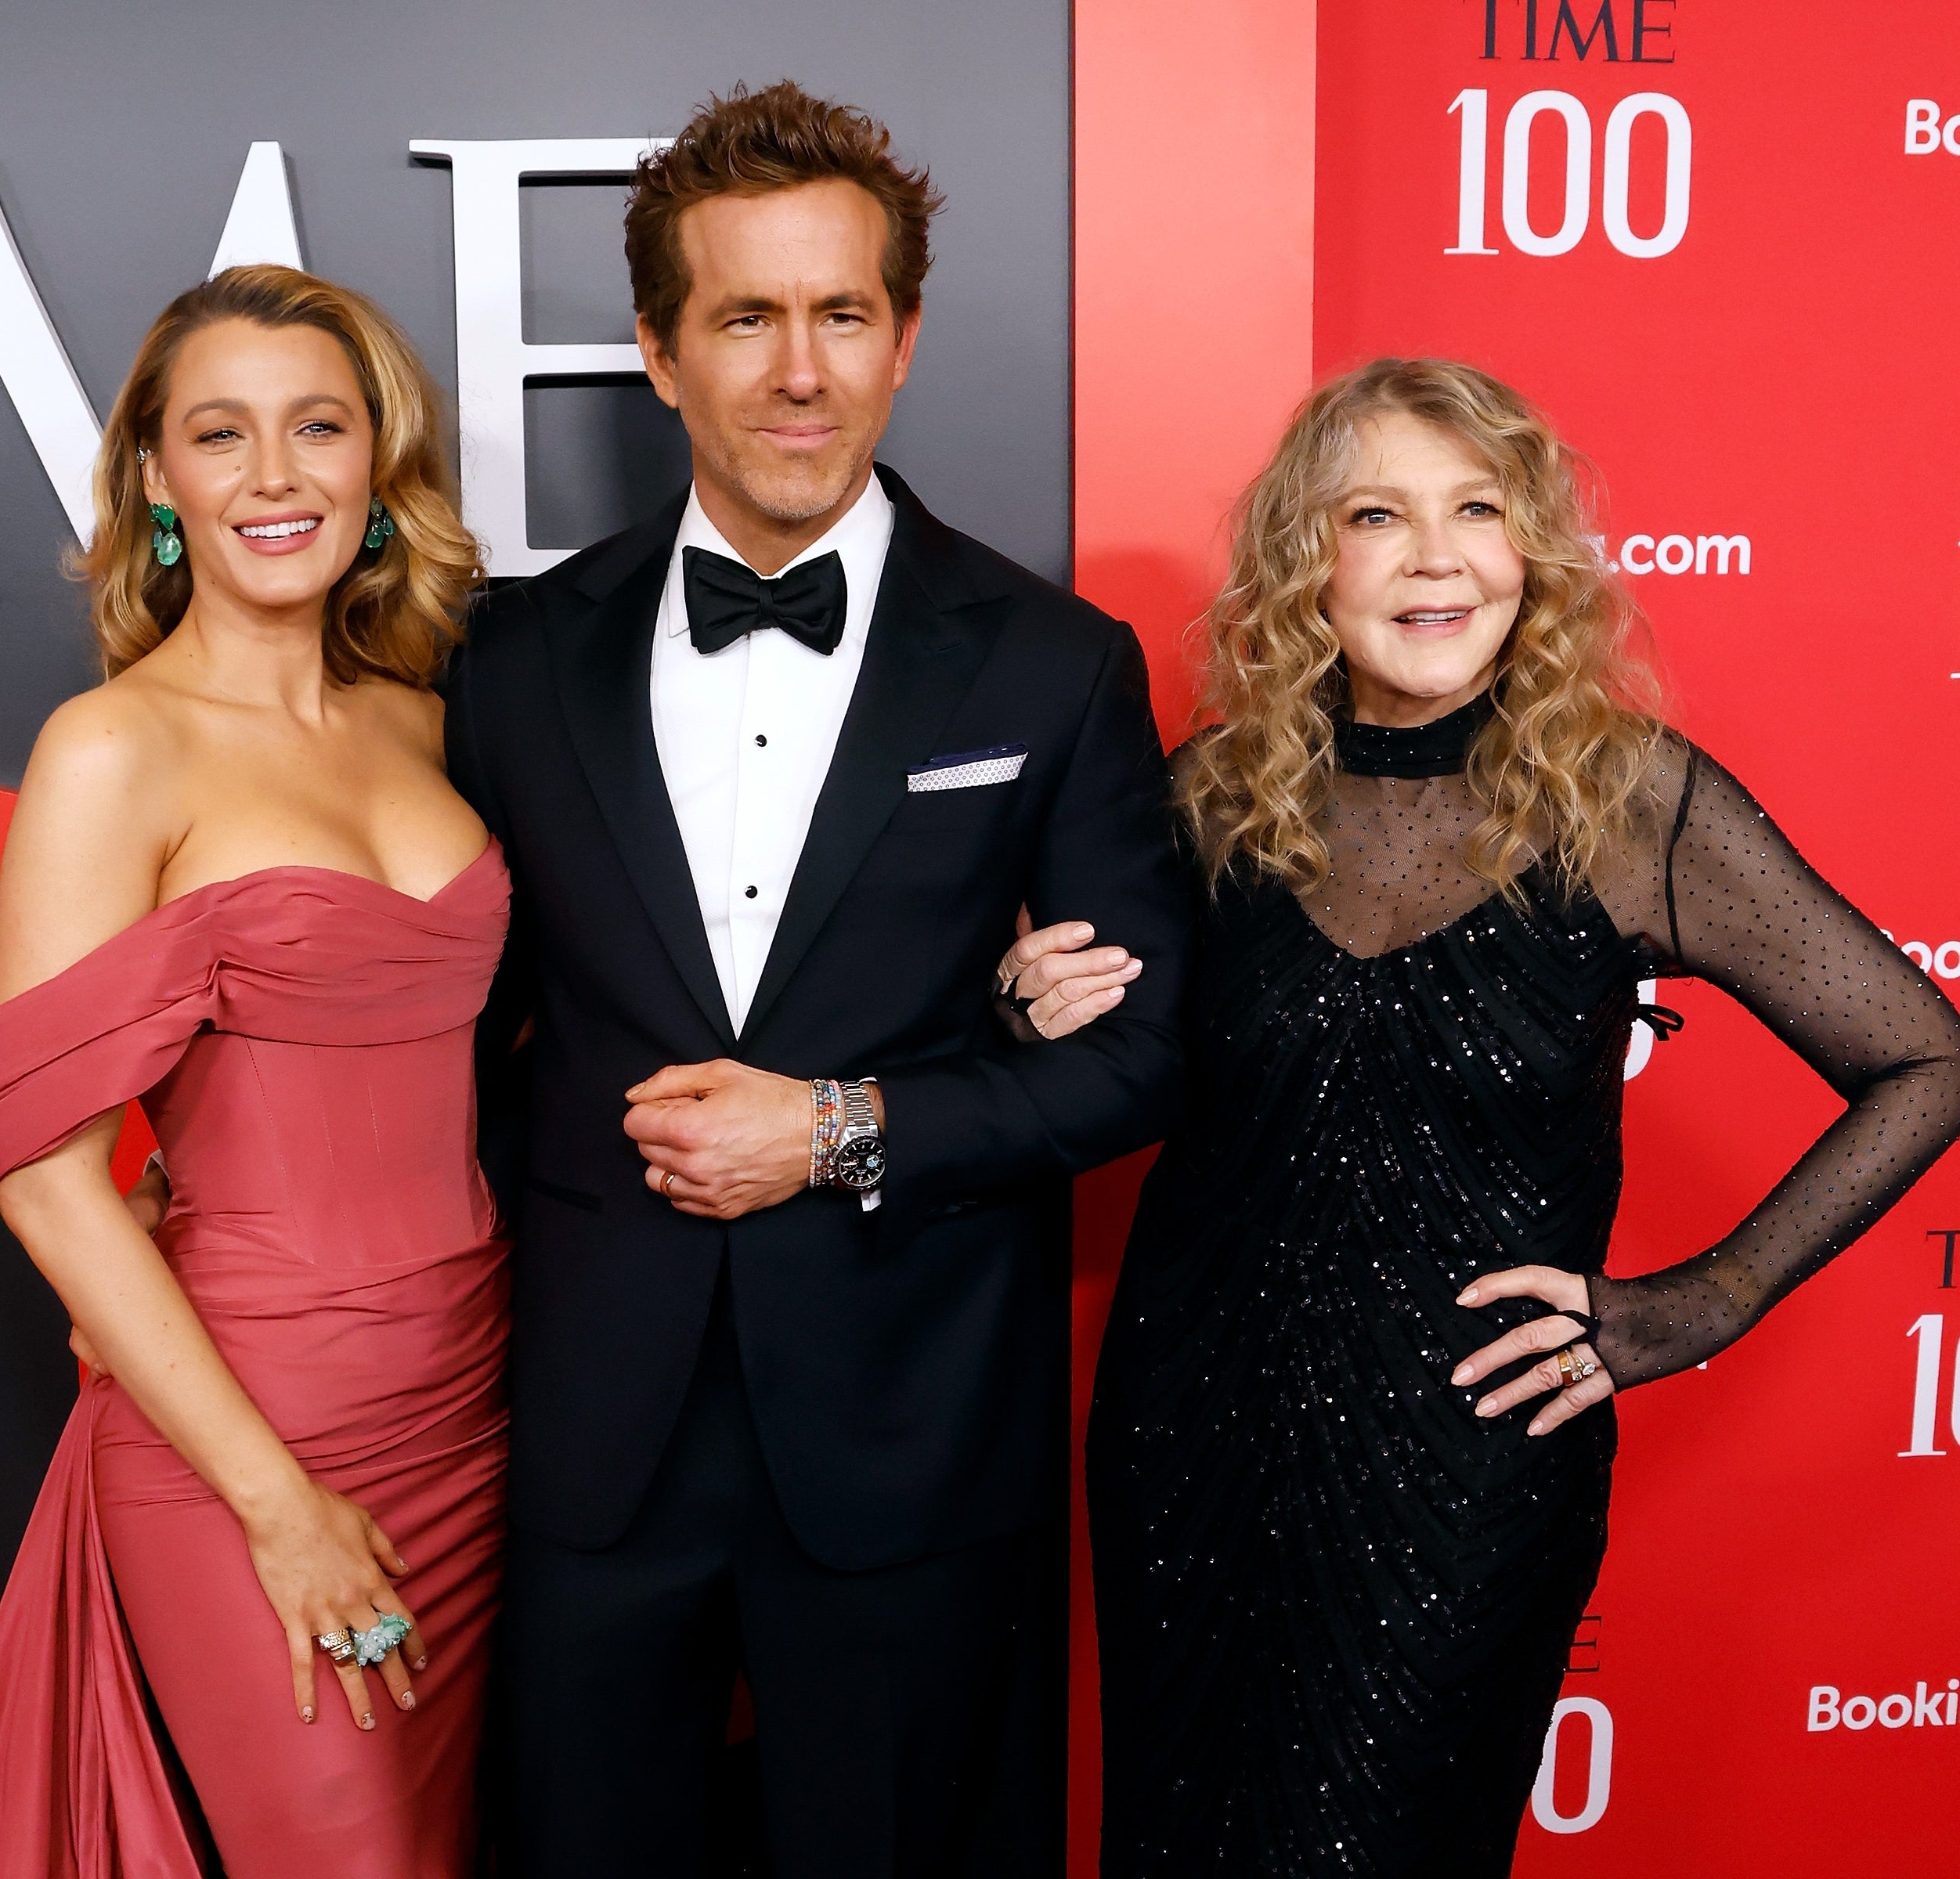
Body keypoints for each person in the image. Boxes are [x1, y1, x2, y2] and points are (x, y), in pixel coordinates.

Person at [1009, 358, 1960, 1875]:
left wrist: (1704, 1299)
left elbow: (1927, 1061)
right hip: (1191, 1440)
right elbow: (1116, 1075)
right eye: (1373, 514)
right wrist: (1029, 1001)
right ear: (1304, 567)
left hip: (1464, 1467)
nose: (1434, 553)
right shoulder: (1213, 795)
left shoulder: (1625, 803)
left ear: (1530, 554)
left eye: (1476, 509)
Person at [442, 82, 1190, 1877]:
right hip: (589, 1428)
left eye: (840, 313)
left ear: (902, 339)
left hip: (910, 1416)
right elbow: (439, 1041)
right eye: (746, 317)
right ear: (658, 352)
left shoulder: (1051, 664)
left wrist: (846, 1127)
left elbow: (1148, 1055)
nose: (799, 370)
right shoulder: (509, 657)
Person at [0, 265, 506, 1879]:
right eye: (220, 434)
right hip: (248, 1435)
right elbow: (46, 1176)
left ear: (374, 465)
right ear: (154, 483)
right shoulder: (112, 748)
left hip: (472, 1401)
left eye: (316, 427)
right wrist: (277, 1505)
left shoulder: (424, 727)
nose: (273, 476)